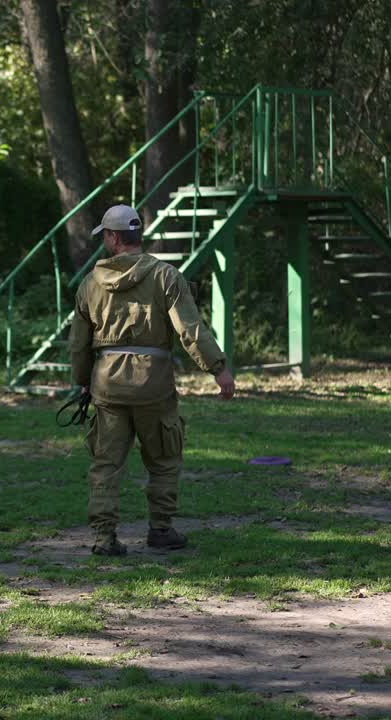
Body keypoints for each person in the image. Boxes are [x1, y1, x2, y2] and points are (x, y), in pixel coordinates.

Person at [70, 204, 235, 556]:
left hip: (107, 385)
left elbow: (79, 345)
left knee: (106, 463)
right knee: (163, 459)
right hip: (153, 386)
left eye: (105, 236)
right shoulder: (166, 276)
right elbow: (190, 331)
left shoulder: (89, 285)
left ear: (113, 238)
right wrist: (218, 370)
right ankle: (161, 529)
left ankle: (104, 536)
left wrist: (83, 381)